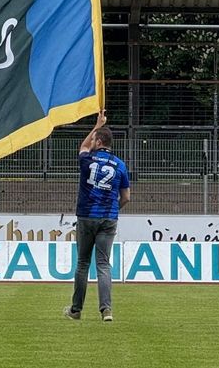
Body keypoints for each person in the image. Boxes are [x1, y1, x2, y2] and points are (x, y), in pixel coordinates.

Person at [64, 110, 130, 323]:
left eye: (94, 138)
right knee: (103, 264)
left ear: (99, 140)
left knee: (83, 263)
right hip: (108, 218)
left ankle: (76, 310)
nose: (91, 141)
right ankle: (106, 310)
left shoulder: (87, 159)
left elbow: (83, 147)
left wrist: (96, 124)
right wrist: (113, 210)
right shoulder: (119, 165)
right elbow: (126, 197)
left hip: (86, 216)